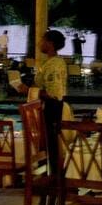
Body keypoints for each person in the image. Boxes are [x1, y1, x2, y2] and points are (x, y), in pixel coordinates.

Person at [16, 29, 67, 172]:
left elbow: (54, 94)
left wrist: (29, 91)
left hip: (51, 111)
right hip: (48, 110)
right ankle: (49, 177)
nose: (39, 43)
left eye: (42, 40)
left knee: (51, 147)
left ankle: (53, 181)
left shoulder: (54, 65)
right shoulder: (51, 62)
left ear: (50, 44)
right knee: (48, 148)